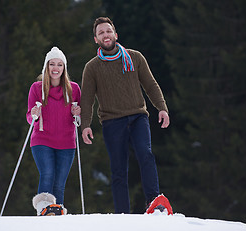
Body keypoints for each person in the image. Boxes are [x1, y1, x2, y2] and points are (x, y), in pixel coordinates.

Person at [80, 17, 171, 214]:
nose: (106, 35)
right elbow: (86, 99)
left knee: (145, 154)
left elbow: (150, 84)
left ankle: (154, 203)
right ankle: (123, 214)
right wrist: (85, 124)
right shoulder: (92, 67)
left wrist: (161, 107)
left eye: (108, 31)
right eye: (101, 33)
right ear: (96, 39)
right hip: (112, 121)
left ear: (115, 34)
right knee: (118, 169)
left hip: (138, 116)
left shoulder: (135, 57)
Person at [26, 46, 81, 212]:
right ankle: (44, 209)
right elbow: (30, 117)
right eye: (52, 64)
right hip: (42, 140)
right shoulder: (37, 88)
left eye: (59, 65)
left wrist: (77, 113)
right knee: (47, 174)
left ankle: (56, 214)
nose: (55, 68)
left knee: (60, 184)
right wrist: (34, 113)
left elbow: (78, 117)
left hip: (66, 142)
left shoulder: (74, 89)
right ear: (46, 67)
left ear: (64, 68)